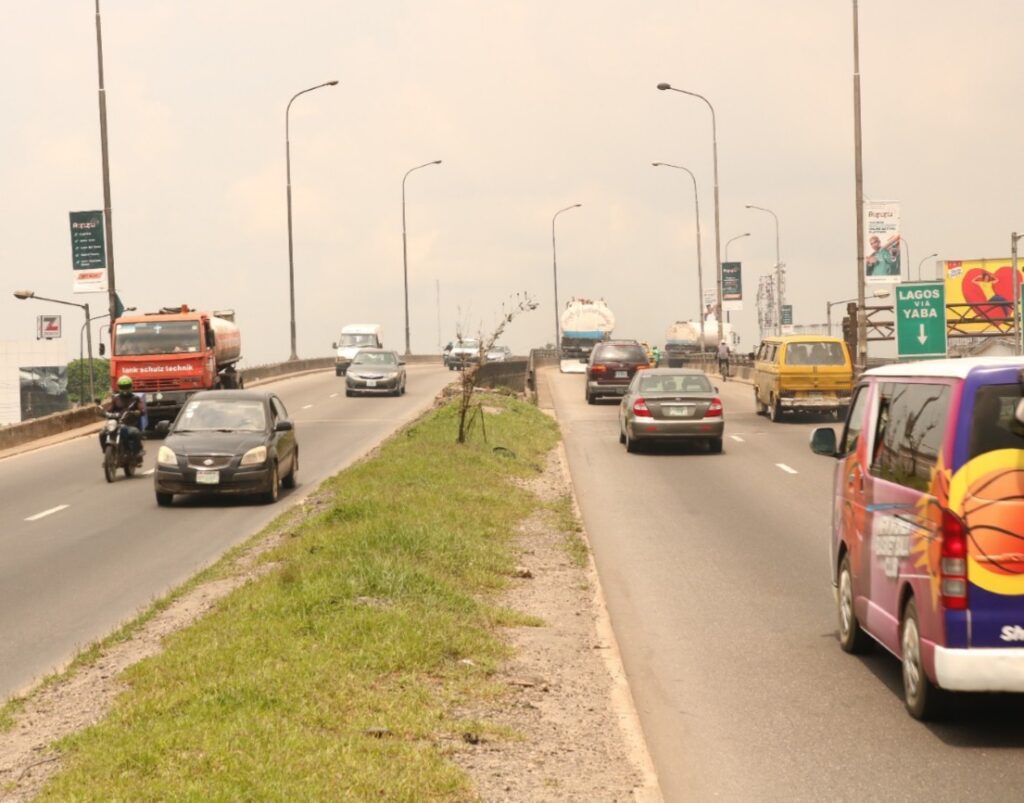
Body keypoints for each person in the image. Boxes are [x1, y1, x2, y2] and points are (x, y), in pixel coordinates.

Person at [99, 375, 148, 463]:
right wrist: (104, 413)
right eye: (122, 387)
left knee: (135, 433)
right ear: (119, 387)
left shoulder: (136, 399)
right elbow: (110, 409)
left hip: (130, 424)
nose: (125, 389)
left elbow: (142, 409)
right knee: (102, 433)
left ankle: (137, 452)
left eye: (126, 387)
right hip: (116, 423)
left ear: (130, 386)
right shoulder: (116, 399)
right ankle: (106, 452)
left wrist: (137, 412)